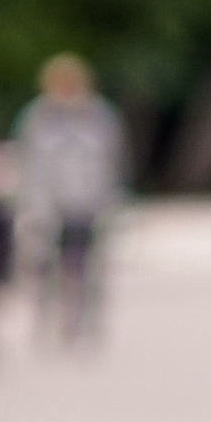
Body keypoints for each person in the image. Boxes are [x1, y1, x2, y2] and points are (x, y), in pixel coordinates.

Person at [13, 53, 126, 342]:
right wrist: (29, 204)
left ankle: (83, 322)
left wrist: (110, 201)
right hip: (47, 203)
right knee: (45, 267)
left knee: (85, 266)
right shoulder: (38, 117)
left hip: (86, 200)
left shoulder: (98, 116)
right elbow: (27, 163)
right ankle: (44, 320)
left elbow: (112, 161)